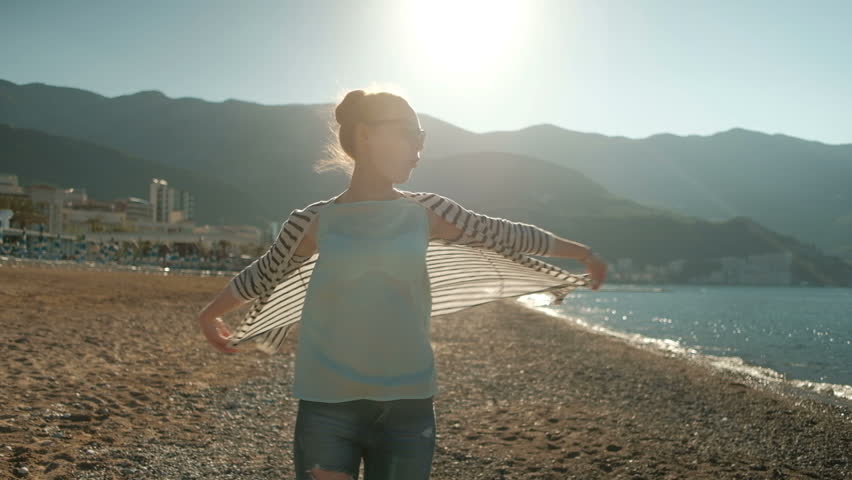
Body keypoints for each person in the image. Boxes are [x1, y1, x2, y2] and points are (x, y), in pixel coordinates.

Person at [197, 88, 607, 480]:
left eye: (422, 135)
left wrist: (582, 253)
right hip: (327, 404)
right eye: (410, 133)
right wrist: (211, 313)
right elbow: (266, 273)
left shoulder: (427, 212)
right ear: (366, 134)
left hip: (408, 408)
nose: (420, 145)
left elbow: (503, 234)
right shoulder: (312, 221)